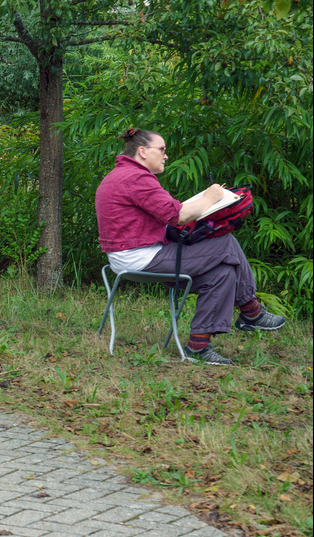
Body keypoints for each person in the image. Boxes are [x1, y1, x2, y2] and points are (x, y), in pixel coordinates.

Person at [94, 127, 284, 365]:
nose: (165, 156)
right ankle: (251, 310)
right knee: (226, 242)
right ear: (142, 151)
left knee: (222, 273)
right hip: (141, 258)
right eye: (161, 150)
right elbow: (179, 216)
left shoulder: (121, 175)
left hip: (132, 256)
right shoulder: (136, 178)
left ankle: (198, 345)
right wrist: (210, 197)